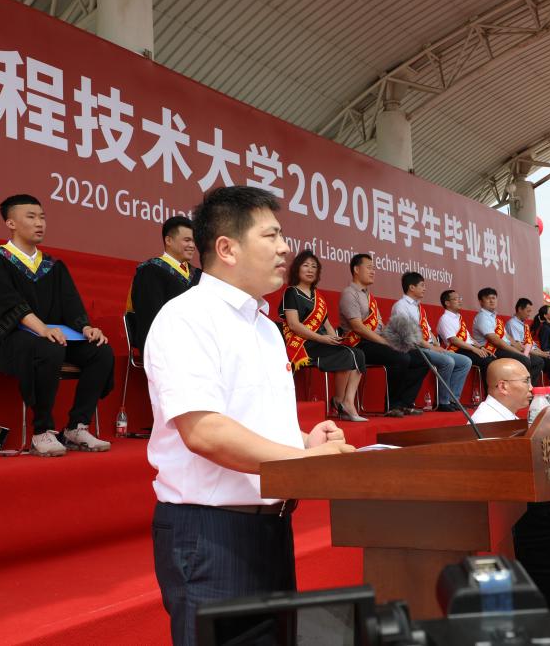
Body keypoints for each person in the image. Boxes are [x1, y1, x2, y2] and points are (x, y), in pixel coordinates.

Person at [144, 186, 355, 646]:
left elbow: (253, 420)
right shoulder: (187, 318)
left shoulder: (264, 327)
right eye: (271, 236)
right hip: (212, 532)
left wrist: (305, 441)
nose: (285, 248)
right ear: (227, 248)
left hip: (272, 524)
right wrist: (307, 463)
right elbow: (205, 431)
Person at [0, 194, 114, 457]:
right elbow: (8, 303)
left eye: (42, 217)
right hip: (10, 340)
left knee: (100, 351)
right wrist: (42, 329)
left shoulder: (53, 266)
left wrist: (86, 328)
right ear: (11, 223)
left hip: (50, 338)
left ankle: (76, 427)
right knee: (48, 347)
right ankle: (42, 431)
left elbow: (71, 304)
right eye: (31, 217)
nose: (39, 223)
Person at [280, 250, 366, 421]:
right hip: (303, 344)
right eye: (306, 265)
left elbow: (326, 324)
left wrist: (335, 339)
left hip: (320, 342)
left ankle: (347, 401)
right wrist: (322, 338)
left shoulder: (317, 296)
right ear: (297, 269)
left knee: (358, 353)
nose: (310, 269)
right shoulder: (291, 293)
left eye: (314, 266)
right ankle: (339, 401)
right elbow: (294, 324)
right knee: (346, 355)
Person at [340, 254, 427, 417]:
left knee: (420, 359)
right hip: (359, 343)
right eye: (369, 268)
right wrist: (385, 342)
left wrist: (395, 339)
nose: (373, 271)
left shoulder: (369, 297)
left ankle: (404, 403)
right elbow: (358, 327)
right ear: (356, 269)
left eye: (374, 268)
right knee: (401, 357)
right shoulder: (349, 293)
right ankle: (392, 405)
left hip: (375, 341)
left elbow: (379, 326)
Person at [388, 273, 471, 411]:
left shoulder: (418, 307)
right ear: (411, 287)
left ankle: (453, 400)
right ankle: (443, 402)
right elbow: (409, 335)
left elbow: (428, 330)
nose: (425, 288)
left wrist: (436, 344)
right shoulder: (401, 306)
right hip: (413, 347)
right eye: (422, 285)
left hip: (427, 346)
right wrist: (432, 348)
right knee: (447, 361)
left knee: (465, 362)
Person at [128, 215, 199, 351]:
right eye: (187, 240)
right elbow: (150, 319)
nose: (192, 245)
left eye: (193, 241)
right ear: (168, 240)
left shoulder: (199, 276)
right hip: (167, 349)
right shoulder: (150, 271)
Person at [472, 288, 545, 384]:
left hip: (503, 348)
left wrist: (518, 347)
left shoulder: (494, 318)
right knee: (524, 359)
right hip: (493, 349)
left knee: (538, 361)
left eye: (494, 298)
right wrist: (517, 352)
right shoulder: (482, 317)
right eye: (488, 298)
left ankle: (527, 388)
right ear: (481, 301)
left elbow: (507, 336)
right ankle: (520, 388)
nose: (492, 301)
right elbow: (495, 340)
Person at [437, 289, 495, 397]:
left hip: (467, 347)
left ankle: (494, 394)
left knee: (493, 358)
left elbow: (469, 338)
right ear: (447, 303)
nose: (460, 301)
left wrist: (481, 347)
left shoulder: (458, 318)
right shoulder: (445, 318)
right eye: (456, 299)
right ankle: (489, 396)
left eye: (460, 298)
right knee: (487, 361)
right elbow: (454, 340)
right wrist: (474, 349)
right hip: (456, 349)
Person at [470, 358, 533, 424]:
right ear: (503, 387)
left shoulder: (500, 418)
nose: (531, 388)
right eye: (526, 381)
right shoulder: (487, 422)